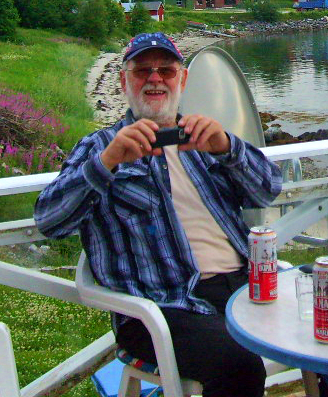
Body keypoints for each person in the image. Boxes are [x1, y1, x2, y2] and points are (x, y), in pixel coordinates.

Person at [34, 32, 282, 397]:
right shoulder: (100, 146)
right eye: (142, 70)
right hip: (160, 306)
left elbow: (268, 190)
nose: (155, 78)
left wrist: (228, 147)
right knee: (238, 363)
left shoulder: (202, 139)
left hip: (245, 287)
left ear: (182, 80)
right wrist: (108, 162)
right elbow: (49, 221)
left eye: (166, 70)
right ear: (124, 81)